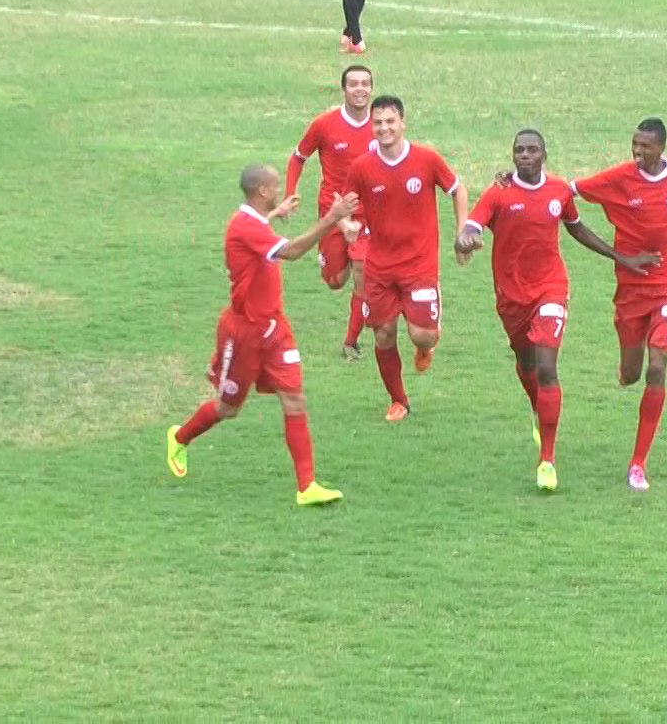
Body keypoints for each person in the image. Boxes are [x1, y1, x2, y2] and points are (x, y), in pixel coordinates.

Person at [456, 130, 658, 493]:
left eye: (532, 150)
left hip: (551, 287)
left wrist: (620, 257)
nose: (525, 156)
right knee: (526, 361)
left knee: (547, 366)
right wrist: (465, 238)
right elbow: (471, 225)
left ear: (545, 155)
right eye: (519, 150)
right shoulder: (499, 192)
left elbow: (577, 228)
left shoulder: (559, 192)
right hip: (511, 296)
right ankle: (538, 408)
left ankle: (547, 460)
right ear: (512, 155)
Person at [164, 165, 357, 507]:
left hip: (274, 329)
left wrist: (276, 214)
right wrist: (331, 219)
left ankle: (306, 486)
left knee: (295, 399)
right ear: (263, 192)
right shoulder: (244, 228)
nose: (280, 192)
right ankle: (179, 437)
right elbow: (293, 252)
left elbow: (261, 232)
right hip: (245, 333)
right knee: (228, 408)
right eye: (276, 188)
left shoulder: (254, 221)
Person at [571, 118, 667, 491]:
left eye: (645, 146)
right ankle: (626, 370)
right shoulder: (619, 178)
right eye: (634, 144)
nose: (638, 152)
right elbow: (565, 192)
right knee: (633, 372)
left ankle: (638, 463)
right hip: (632, 287)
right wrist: (517, 179)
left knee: (658, 364)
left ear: (662, 147)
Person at [341, 94, 468, 422]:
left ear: (402, 123)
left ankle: (425, 348)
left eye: (390, 122)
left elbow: (457, 189)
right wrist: (347, 225)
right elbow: (344, 206)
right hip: (380, 266)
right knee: (383, 333)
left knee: (421, 334)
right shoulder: (362, 167)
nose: (384, 128)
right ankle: (398, 400)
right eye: (378, 123)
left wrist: (461, 232)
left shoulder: (426, 160)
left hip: (419, 265)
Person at [285, 65, 379, 360]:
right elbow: (298, 157)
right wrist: (291, 192)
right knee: (335, 281)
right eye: (354, 84)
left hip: (369, 215)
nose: (360, 89)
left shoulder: (382, 124)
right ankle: (341, 259)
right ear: (344, 89)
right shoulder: (325, 125)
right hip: (333, 212)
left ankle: (350, 342)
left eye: (365, 83)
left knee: (364, 274)